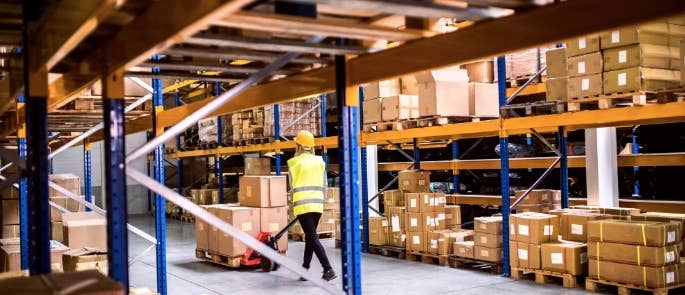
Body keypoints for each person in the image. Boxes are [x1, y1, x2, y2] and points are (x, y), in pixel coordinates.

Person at [288, 130, 336, 281]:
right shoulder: (320, 161)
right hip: (318, 204)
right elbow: (325, 185)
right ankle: (305, 269)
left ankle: (328, 269)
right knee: (310, 237)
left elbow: (291, 185)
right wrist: (322, 199)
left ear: (299, 145)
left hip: (302, 205)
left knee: (312, 237)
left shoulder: (293, 162)